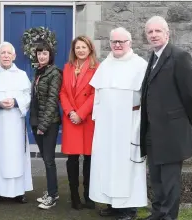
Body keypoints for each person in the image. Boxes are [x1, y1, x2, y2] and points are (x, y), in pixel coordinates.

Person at [139, 16, 192, 220]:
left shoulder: (179, 56)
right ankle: (157, 213)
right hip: (153, 133)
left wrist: (185, 121)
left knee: (170, 181)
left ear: (167, 33)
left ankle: (168, 217)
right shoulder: (153, 57)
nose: (154, 35)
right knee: (156, 179)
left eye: (158, 31)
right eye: (150, 32)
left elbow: (191, 96)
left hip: (172, 133)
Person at [89, 27, 148, 220]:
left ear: (129, 43)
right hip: (107, 126)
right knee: (107, 164)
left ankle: (128, 209)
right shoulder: (106, 64)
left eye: (121, 42)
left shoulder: (140, 65)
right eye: (114, 42)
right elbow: (98, 94)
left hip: (129, 124)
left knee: (126, 166)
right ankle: (112, 204)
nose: (117, 45)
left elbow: (145, 99)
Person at [0, 42, 33, 206]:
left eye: (9, 53)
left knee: (16, 157)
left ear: (14, 56)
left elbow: (28, 95)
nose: (6, 56)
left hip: (16, 123)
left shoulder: (22, 75)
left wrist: (16, 102)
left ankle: (18, 191)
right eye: (3, 53)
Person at [59, 35, 99, 210]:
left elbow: (95, 93)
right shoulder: (67, 67)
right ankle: (74, 195)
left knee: (90, 159)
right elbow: (63, 93)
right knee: (72, 159)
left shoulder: (97, 68)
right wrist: (70, 112)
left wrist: (81, 113)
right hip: (71, 119)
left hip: (88, 118)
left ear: (90, 49)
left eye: (84, 47)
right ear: (73, 50)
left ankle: (89, 195)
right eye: (77, 47)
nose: (80, 50)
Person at [29, 42, 62, 210]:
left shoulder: (54, 73)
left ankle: (52, 195)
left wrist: (43, 125)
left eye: (45, 53)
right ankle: (51, 191)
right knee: (45, 159)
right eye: (39, 53)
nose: (41, 56)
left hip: (49, 123)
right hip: (36, 122)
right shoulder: (39, 72)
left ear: (50, 56)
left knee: (49, 160)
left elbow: (52, 101)